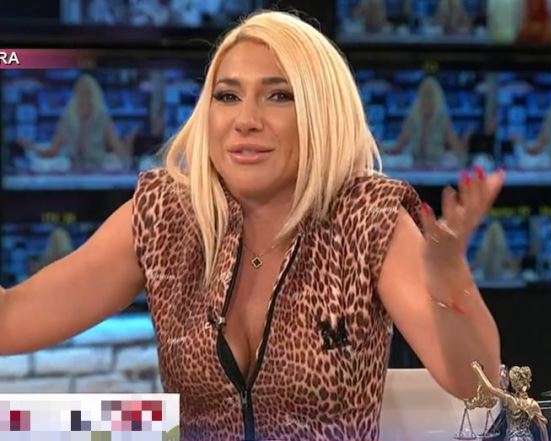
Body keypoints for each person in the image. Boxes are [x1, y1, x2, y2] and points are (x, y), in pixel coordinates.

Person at [0, 11, 504, 441]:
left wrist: (452, 285)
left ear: (320, 111)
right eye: (227, 96)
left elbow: (478, 388)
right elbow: (12, 319)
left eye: (278, 96)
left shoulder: (368, 218)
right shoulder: (165, 215)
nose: (246, 120)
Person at [20, 74, 137, 172]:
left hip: (97, 174)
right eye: (81, 94)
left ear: (95, 97)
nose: (84, 98)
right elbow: (52, 151)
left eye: (87, 94)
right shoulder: (67, 120)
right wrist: (32, 147)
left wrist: (129, 143)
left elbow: (120, 152)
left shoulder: (103, 120)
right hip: (73, 173)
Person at [384, 76, 471, 168]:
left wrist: (466, 144)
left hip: (436, 169)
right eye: (424, 94)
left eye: (430, 94)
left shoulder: (443, 120)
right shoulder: (412, 118)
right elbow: (398, 148)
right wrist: (380, 150)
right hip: (415, 168)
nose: (427, 98)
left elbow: (456, 147)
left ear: (437, 97)